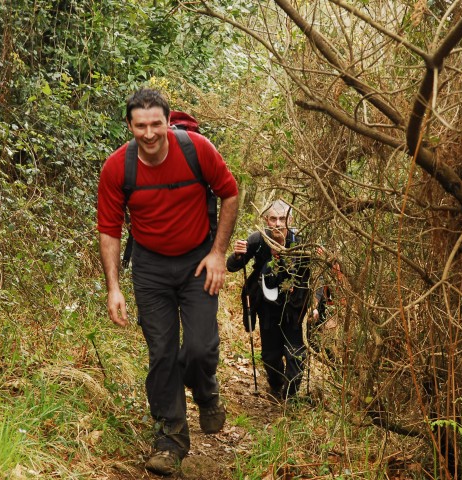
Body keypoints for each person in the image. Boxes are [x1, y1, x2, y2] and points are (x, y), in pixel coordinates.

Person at [96, 88, 239, 476]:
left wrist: (219, 253)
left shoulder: (197, 150)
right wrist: (114, 287)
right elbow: (109, 229)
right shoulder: (117, 168)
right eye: (140, 126)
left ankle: (205, 390)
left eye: (155, 124)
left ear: (168, 121)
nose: (149, 133)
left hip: (198, 262)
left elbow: (229, 194)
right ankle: (170, 440)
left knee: (199, 348)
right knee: (161, 352)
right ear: (129, 126)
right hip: (150, 268)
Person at [227, 200, 310, 401]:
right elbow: (232, 266)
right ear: (266, 220)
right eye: (273, 218)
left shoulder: (301, 242)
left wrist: (315, 303)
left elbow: (315, 275)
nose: (278, 223)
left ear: (290, 220)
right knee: (270, 356)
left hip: (293, 306)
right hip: (266, 305)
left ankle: (290, 399)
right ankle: (276, 385)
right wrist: (237, 254)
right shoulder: (258, 240)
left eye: (282, 218)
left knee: (295, 353)